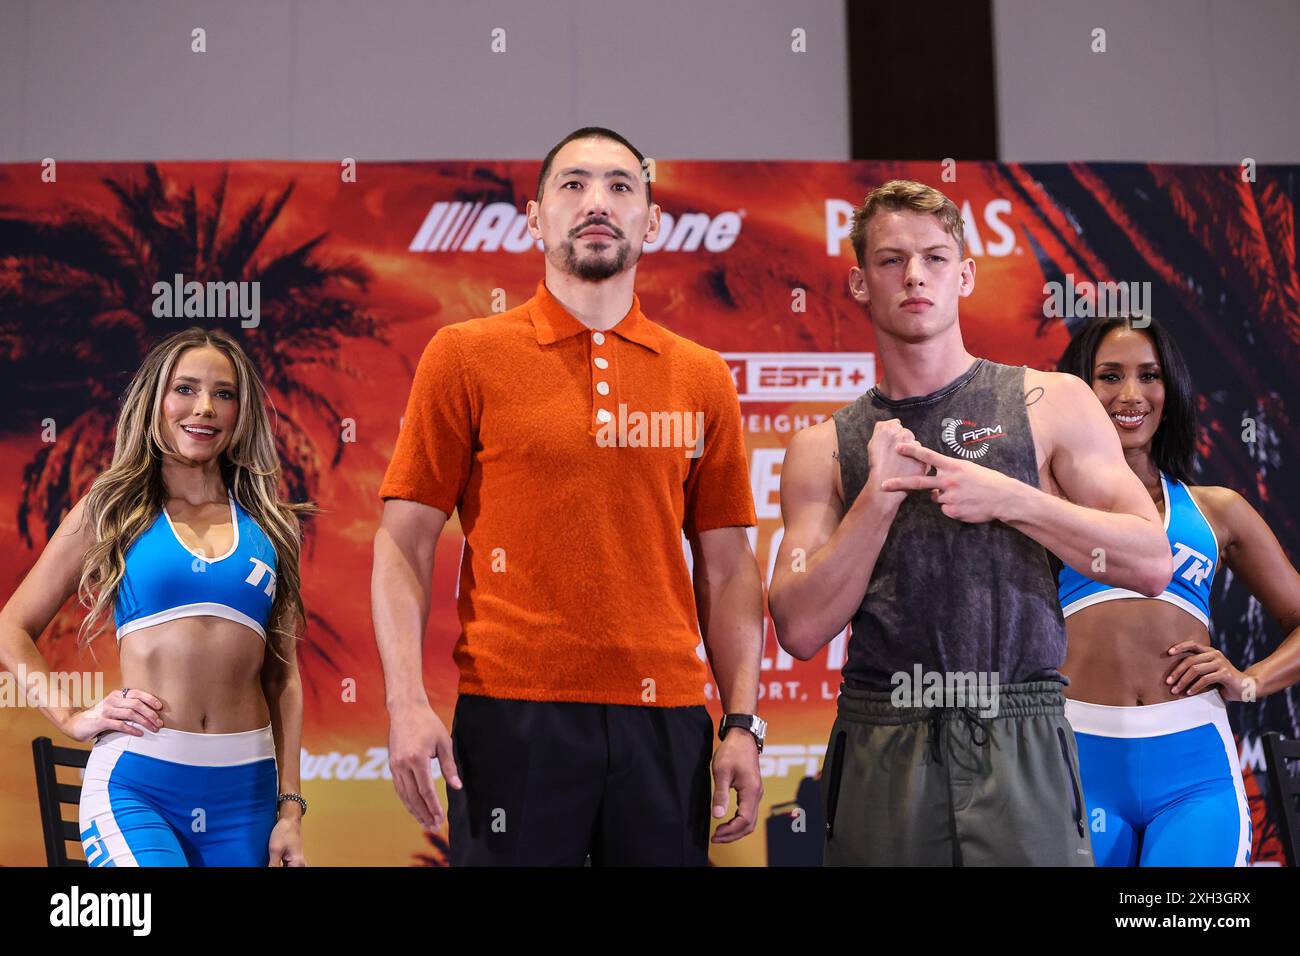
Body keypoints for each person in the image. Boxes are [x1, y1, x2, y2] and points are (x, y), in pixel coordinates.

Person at [372, 127, 766, 866]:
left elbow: (729, 566)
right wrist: (403, 701)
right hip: (509, 718)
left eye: (621, 186)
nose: (597, 202)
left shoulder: (703, 375)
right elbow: (403, 541)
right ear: (534, 216)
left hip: (668, 721)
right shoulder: (464, 355)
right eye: (573, 184)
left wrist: (741, 721)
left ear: (651, 222)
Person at [768, 179, 1174, 866]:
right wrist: (877, 498)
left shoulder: (1050, 401)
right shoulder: (822, 448)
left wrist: (1014, 499)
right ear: (861, 282)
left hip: (1019, 730)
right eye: (891, 260)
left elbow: (1150, 560)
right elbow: (799, 628)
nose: (915, 275)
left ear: (966, 274)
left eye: (933, 257)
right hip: (883, 738)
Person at [0, 327, 310, 866]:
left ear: (242, 413)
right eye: (185, 389)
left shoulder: (271, 526)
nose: (205, 408)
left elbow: (283, 678)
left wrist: (290, 812)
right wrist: (73, 717)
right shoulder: (112, 508)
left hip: (248, 798)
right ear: (156, 400)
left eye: (224, 393)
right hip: (138, 787)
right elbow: (11, 628)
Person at [1056, 315, 1300, 866]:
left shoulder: (1218, 510)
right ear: (1077, 389)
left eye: (1149, 375)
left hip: (1195, 773)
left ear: (1172, 391)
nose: (1131, 394)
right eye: (1109, 376)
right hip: (1075, 761)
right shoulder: (1046, 510)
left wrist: (1252, 680)